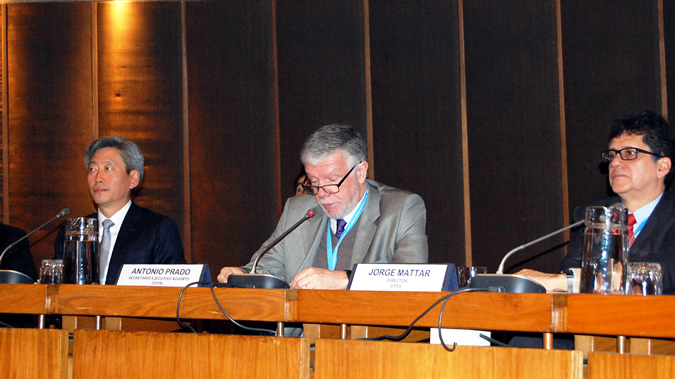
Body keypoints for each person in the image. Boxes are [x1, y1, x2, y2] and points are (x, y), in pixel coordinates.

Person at [218, 124, 428, 290]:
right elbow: (266, 267)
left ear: (361, 171)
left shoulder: (401, 209)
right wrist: (240, 275)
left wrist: (345, 280)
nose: (321, 193)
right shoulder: (297, 210)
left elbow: (411, 278)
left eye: (332, 180)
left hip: (369, 339)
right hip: (303, 339)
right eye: (314, 182)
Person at [519, 110, 675, 294]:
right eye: (612, 155)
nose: (615, 162)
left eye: (629, 153)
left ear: (662, 167)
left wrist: (562, 281)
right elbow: (572, 272)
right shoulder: (592, 214)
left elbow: (660, 274)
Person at [54, 136, 186, 284]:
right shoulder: (73, 231)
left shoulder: (157, 228)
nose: (98, 178)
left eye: (108, 168)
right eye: (92, 169)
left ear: (133, 178)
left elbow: (175, 289)